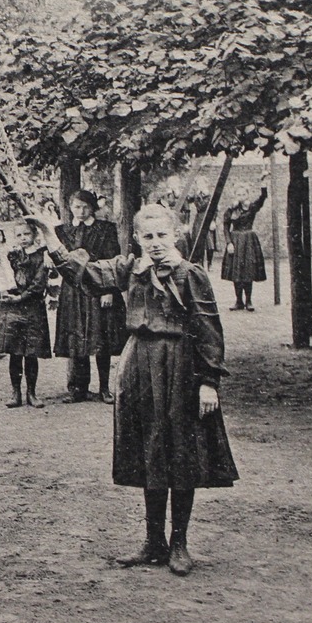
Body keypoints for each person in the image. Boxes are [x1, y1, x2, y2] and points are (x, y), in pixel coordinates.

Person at [45, 203, 237, 577]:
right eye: (147, 237)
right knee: (149, 448)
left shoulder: (190, 274)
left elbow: (210, 330)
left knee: (180, 451)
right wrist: (49, 236)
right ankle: (153, 542)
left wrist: (209, 382)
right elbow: (84, 274)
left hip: (180, 366)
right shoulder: (128, 269)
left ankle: (179, 542)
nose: (155, 243)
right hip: (137, 366)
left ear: (176, 234)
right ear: (136, 239)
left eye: (162, 235)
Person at [54, 190, 125, 403]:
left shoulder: (105, 229)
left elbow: (111, 261)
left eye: (85, 206)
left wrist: (108, 291)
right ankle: (79, 389)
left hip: (98, 289)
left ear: (92, 207)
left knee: (100, 339)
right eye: (77, 206)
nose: (81, 211)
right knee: (78, 338)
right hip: (73, 291)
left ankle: (104, 388)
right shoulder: (63, 231)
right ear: (70, 208)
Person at [0, 218, 53, 407]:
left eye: (27, 234)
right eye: (18, 235)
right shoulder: (11, 256)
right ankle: (15, 393)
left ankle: (32, 393)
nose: (23, 238)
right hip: (12, 308)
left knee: (31, 353)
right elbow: (2, 275)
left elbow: (38, 284)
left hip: (32, 307)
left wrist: (20, 297)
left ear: (35, 235)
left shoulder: (41, 257)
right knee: (15, 352)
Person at [220, 170, 271, 311]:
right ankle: (238, 301)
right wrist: (228, 242)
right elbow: (225, 225)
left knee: (248, 271)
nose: (241, 197)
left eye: (243, 194)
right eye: (238, 194)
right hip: (235, 240)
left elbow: (263, 197)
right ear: (235, 195)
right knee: (236, 272)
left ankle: (248, 301)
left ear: (247, 195)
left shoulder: (252, 208)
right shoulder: (231, 210)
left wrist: (263, 182)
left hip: (248, 240)